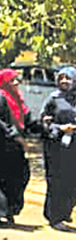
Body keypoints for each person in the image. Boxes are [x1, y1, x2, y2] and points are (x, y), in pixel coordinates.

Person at [0, 68, 41, 227]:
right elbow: (3, 124)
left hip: (14, 147)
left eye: (17, 80)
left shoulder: (18, 99)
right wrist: (18, 138)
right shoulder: (0, 98)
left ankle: (9, 210)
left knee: (18, 177)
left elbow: (26, 120)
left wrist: (42, 128)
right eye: (12, 80)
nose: (16, 83)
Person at [40, 67, 76, 230]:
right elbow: (44, 123)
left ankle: (65, 212)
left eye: (68, 78)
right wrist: (61, 128)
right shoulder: (53, 99)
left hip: (73, 148)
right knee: (57, 182)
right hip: (56, 148)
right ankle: (55, 216)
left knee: (71, 182)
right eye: (61, 78)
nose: (64, 82)